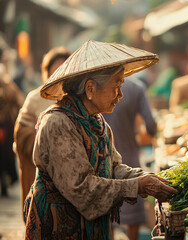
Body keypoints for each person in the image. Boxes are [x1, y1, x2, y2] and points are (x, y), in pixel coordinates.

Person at [23, 40, 177, 239]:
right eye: (117, 86)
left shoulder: (97, 121)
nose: (120, 94)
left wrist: (143, 177)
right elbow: (82, 188)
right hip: (59, 228)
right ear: (90, 88)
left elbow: (113, 168)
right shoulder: (58, 124)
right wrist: (137, 185)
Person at [14, 46, 70, 213]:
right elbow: (21, 133)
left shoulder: (74, 99)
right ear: (47, 70)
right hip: (38, 173)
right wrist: (47, 140)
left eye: (63, 67)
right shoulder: (35, 97)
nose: (59, 72)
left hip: (67, 173)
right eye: (55, 68)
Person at [103, 76, 157, 240]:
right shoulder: (136, 88)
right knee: (132, 209)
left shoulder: (96, 88)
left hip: (103, 158)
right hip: (129, 155)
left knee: (107, 211)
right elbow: (151, 125)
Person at [0, 41, 24, 196]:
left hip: (5, 123)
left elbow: (18, 99)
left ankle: (6, 180)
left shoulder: (8, 76)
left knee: (6, 154)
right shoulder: (5, 76)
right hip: (5, 122)